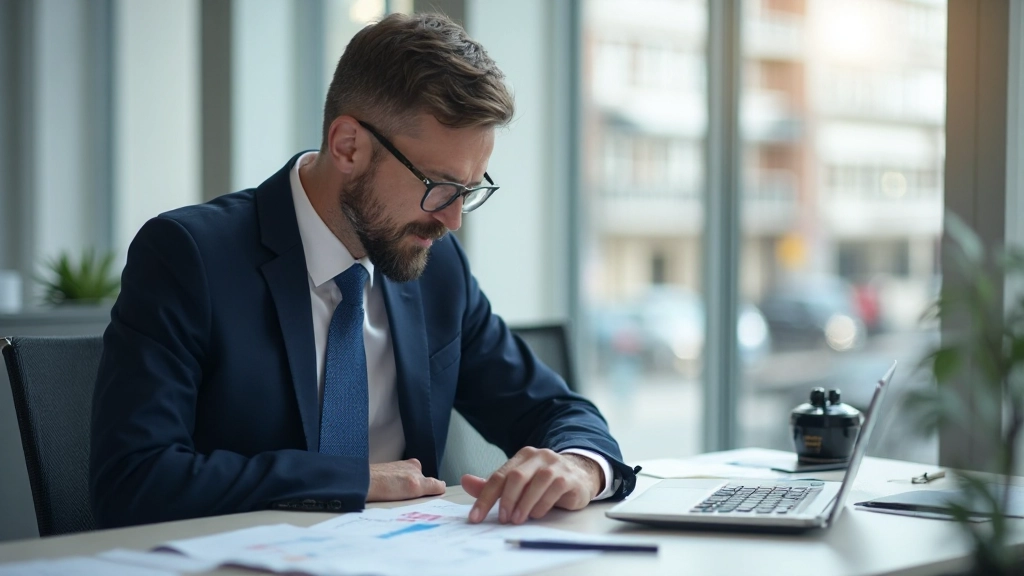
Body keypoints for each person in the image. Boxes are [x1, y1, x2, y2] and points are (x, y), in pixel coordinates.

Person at [90, 12, 636, 529]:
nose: (452, 219)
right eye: (438, 186)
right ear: (348, 146)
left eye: (469, 191)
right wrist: (351, 480)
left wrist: (581, 466)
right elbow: (135, 480)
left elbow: (556, 408)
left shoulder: (436, 265)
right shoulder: (191, 256)